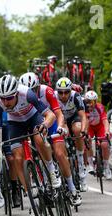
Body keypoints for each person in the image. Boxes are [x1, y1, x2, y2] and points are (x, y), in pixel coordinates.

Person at [0, 75, 59, 216]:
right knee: (17, 157)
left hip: (33, 117)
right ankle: (32, 202)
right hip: (15, 123)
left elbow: (50, 115)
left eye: (9, 98)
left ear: (16, 93)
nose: (5, 102)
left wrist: (45, 125)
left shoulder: (27, 94)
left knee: (39, 139)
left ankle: (51, 170)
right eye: (3, 98)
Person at [20, 72, 82, 206]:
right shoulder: (21, 97)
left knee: (60, 154)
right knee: (35, 155)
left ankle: (72, 189)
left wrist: (60, 126)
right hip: (36, 125)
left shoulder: (46, 91)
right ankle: (44, 183)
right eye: (29, 91)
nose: (32, 93)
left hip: (52, 122)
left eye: (34, 89)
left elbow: (58, 113)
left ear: (39, 87)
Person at [55, 77, 89, 192]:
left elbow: (83, 116)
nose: (63, 95)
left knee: (78, 129)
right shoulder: (54, 97)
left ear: (71, 90)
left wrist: (84, 130)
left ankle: (80, 163)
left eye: (66, 92)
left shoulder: (75, 96)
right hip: (62, 120)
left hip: (74, 118)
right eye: (60, 92)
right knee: (63, 132)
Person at [83, 91, 112, 179]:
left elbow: (105, 120)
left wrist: (107, 131)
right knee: (87, 141)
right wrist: (85, 132)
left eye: (92, 102)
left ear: (96, 101)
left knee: (104, 144)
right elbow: (84, 122)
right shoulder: (83, 108)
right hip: (90, 127)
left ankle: (106, 167)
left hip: (100, 127)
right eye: (88, 101)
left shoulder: (100, 107)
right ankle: (91, 164)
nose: (90, 104)